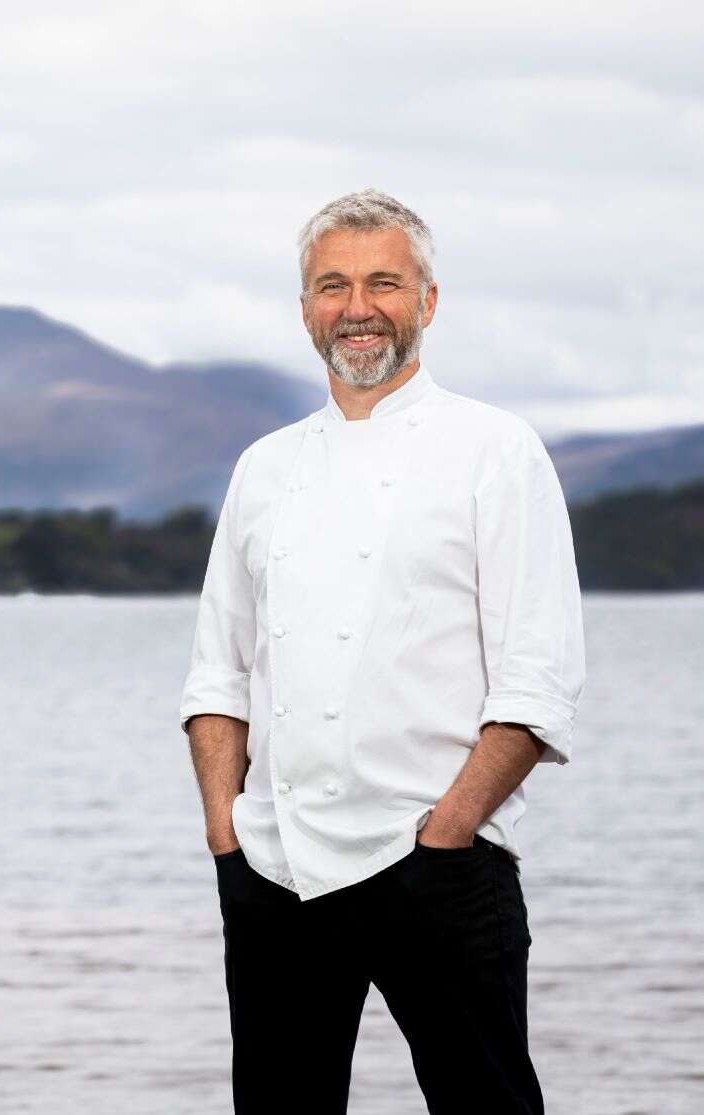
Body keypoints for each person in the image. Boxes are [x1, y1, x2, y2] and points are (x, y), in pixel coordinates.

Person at [179, 189, 585, 1114]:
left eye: (382, 283)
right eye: (333, 286)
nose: (357, 307)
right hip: (277, 870)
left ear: (428, 302)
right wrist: (227, 836)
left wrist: (447, 834)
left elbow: (537, 680)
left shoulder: (497, 450)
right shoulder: (265, 467)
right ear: (305, 311)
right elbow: (218, 673)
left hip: (438, 866)